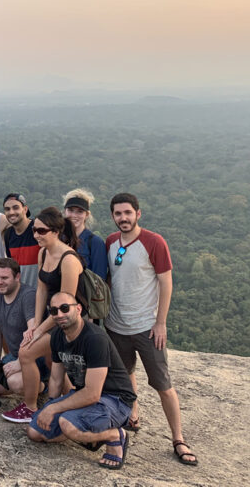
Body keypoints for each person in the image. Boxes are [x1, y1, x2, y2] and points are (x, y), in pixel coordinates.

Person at [106, 193, 198, 466]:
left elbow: (166, 283)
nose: (123, 218)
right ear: (112, 216)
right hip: (115, 325)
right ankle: (134, 413)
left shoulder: (153, 242)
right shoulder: (111, 242)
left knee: (163, 384)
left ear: (138, 213)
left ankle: (178, 438)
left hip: (146, 327)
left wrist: (161, 322)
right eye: (118, 213)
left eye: (127, 212)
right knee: (126, 375)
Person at [27, 291, 136, 471]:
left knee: (67, 423)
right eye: (54, 311)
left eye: (64, 308)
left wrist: (55, 409)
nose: (59, 315)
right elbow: (55, 378)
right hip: (83, 395)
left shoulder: (94, 339)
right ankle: (89, 433)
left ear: (78, 309)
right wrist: (50, 407)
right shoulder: (57, 336)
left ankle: (113, 435)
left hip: (115, 400)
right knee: (35, 432)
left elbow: (93, 393)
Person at [3, 206, 84, 423]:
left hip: (67, 322)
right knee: (52, 363)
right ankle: (72, 402)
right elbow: (42, 290)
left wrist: (39, 330)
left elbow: (65, 306)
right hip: (52, 318)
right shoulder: (43, 252)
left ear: (56, 232)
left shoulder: (68, 260)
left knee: (26, 352)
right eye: (35, 230)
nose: (36, 234)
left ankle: (29, 407)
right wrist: (34, 324)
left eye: (41, 231)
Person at [0, 258, 44, 398]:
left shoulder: (28, 295)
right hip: (15, 354)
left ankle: (43, 386)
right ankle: (30, 382)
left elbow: (33, 332)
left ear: (17, 277)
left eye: (4, 278)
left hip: (36, 356)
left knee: (15, 382)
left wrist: (20, 362)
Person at [63, 189, 108, 280]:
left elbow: (99, 280)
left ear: (87, 215)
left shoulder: (95, 243)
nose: (74, 215)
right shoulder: (58, 239)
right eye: (71, 210)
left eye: (80, 211)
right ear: (65, 212)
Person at [2, 193, 40, 288]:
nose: (11, 212)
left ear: (25, 209)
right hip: (21, 295)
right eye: (7, 209)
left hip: (41, 294)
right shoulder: (8, 235)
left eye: (15, 208)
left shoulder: (38, 228)